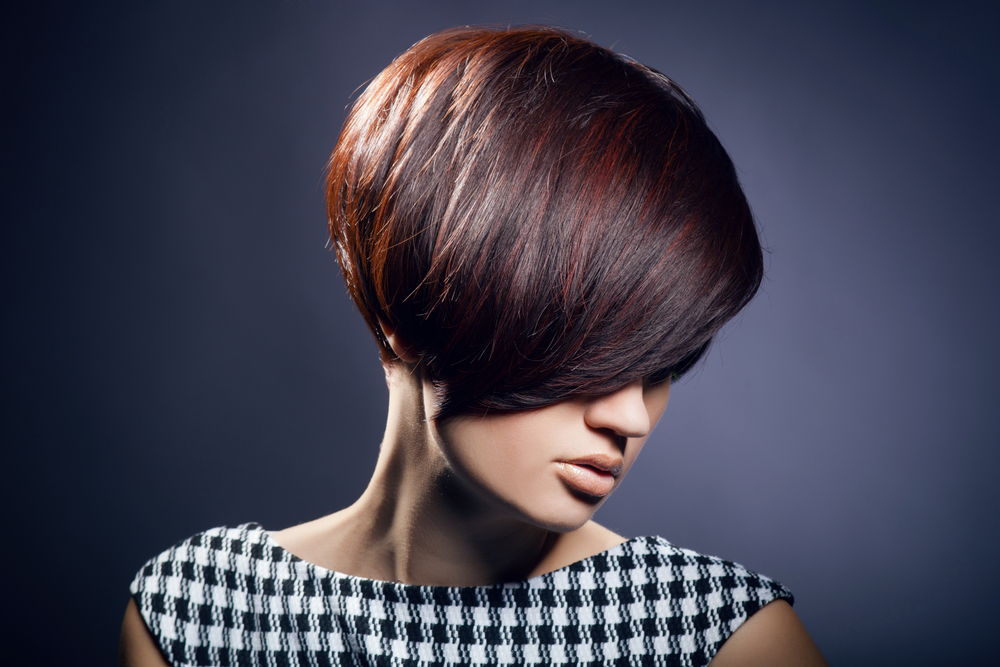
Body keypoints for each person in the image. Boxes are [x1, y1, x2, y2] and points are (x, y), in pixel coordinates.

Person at [120, 25, 827, 667]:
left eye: (661, 364)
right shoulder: (201, 616)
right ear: (412, 302)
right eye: (591, 347)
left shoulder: (714, 635)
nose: (630, 416)